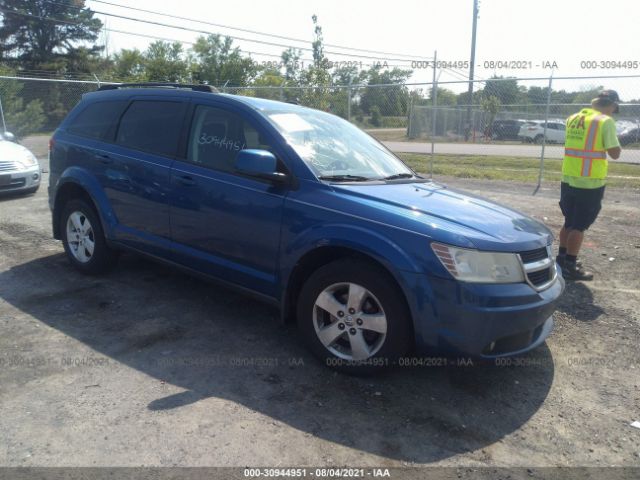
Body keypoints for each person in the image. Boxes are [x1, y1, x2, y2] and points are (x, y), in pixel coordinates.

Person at [557, 90, 622, 280]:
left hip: (569, 177)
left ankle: (561, 259)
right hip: (590, 181)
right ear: (612, 105)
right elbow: (615, 153)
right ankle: (570, 264)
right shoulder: (605, 121)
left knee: (569, 220)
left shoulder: (574, 118)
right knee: (579, 225)